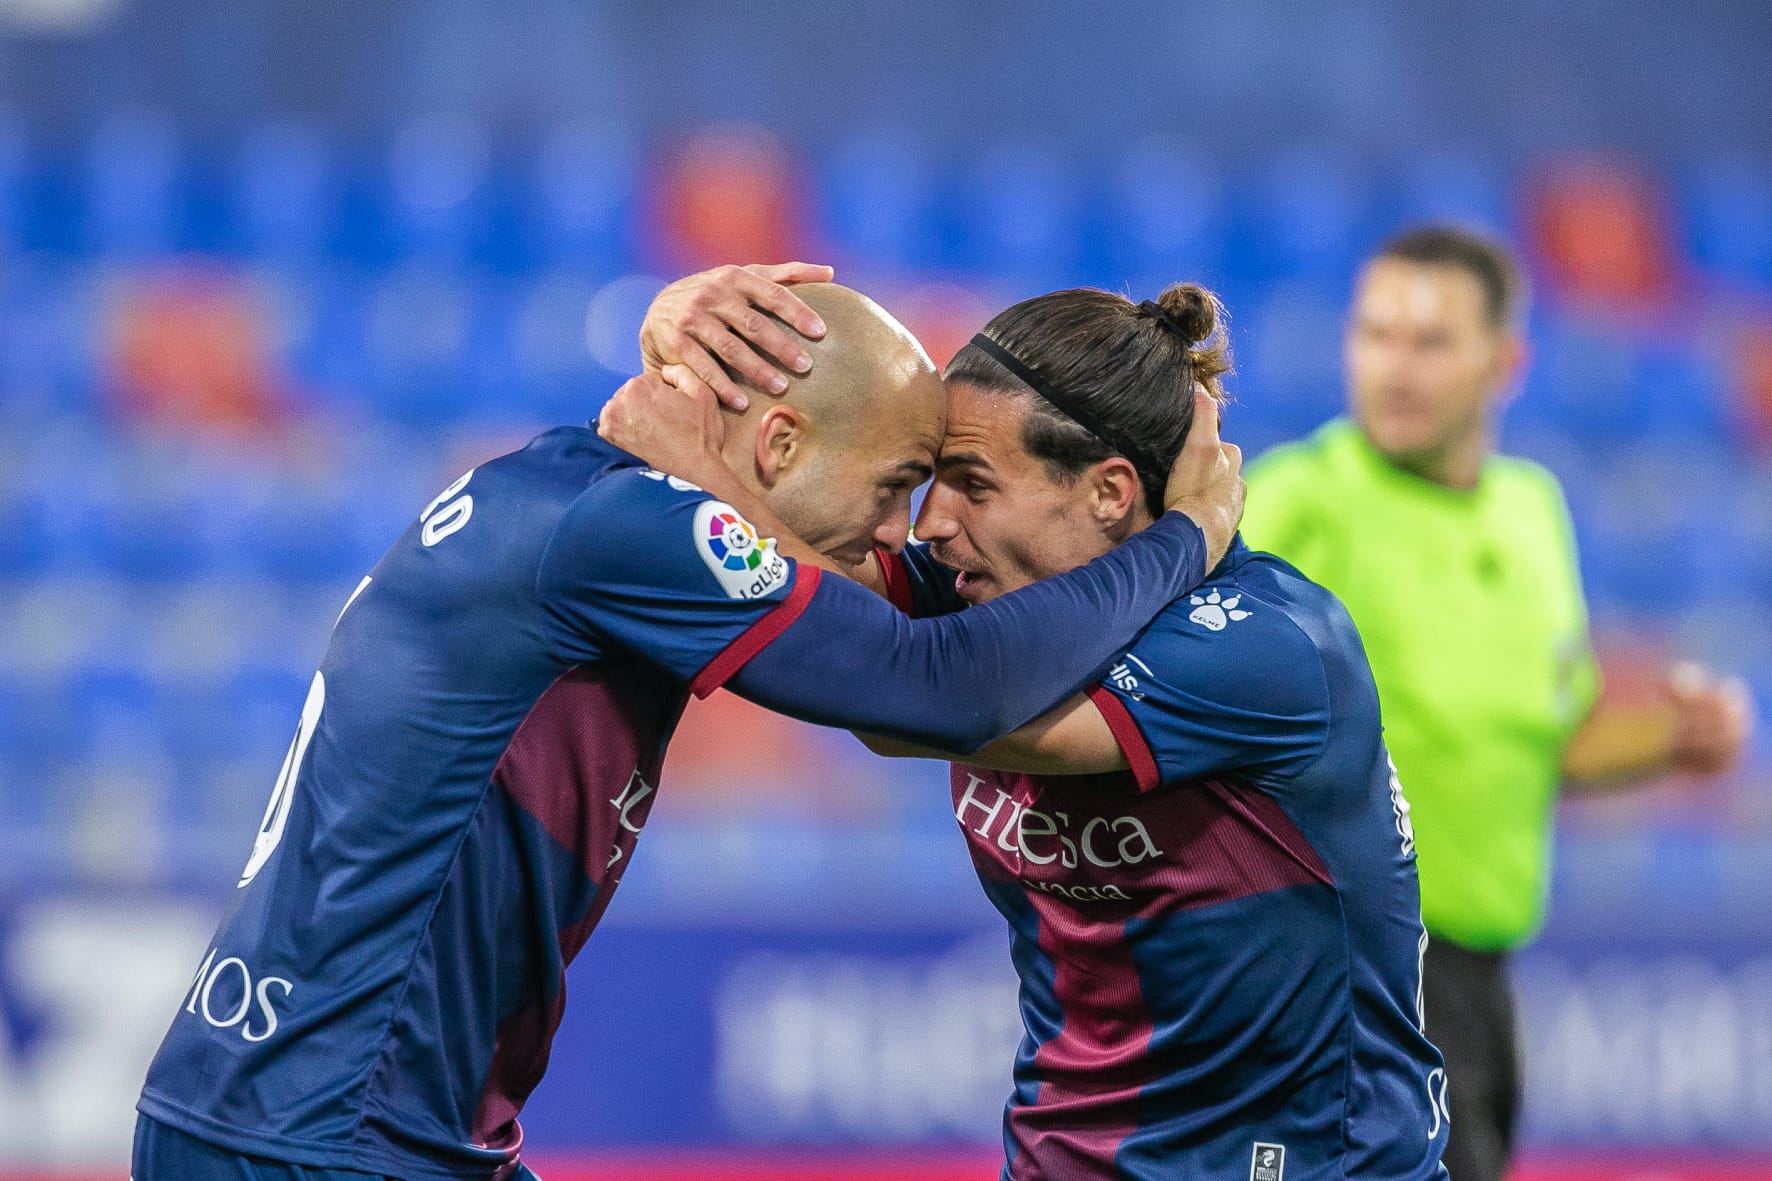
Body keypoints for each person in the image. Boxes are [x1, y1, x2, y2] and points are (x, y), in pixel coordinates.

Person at [132, 273, 1246, 1181]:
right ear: (772, 447)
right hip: (324, 1131)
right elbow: (940, 687)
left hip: (352, 1118)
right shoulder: (630, 531)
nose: (892, 536)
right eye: (897, 482)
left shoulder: (569, 500)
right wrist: (1183, 535)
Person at [612, 273, 1450, 1180]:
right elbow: (787, 587)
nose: (929, 525)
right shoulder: (993, 598)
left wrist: (696, 481)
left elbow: (923, 707)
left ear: (1108, 492)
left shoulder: (1264, 646)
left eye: (973, 484)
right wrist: (687, 384)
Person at [1234, 225, 1757, 1181]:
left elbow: (1544, 740)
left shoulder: (1534, 511)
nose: (1396, 365)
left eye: (1430, 341)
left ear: (1504, 360)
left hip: (1477, 982)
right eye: (1376, 333)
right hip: (1341, 974)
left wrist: (1672, 740)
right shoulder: (1296, 504)